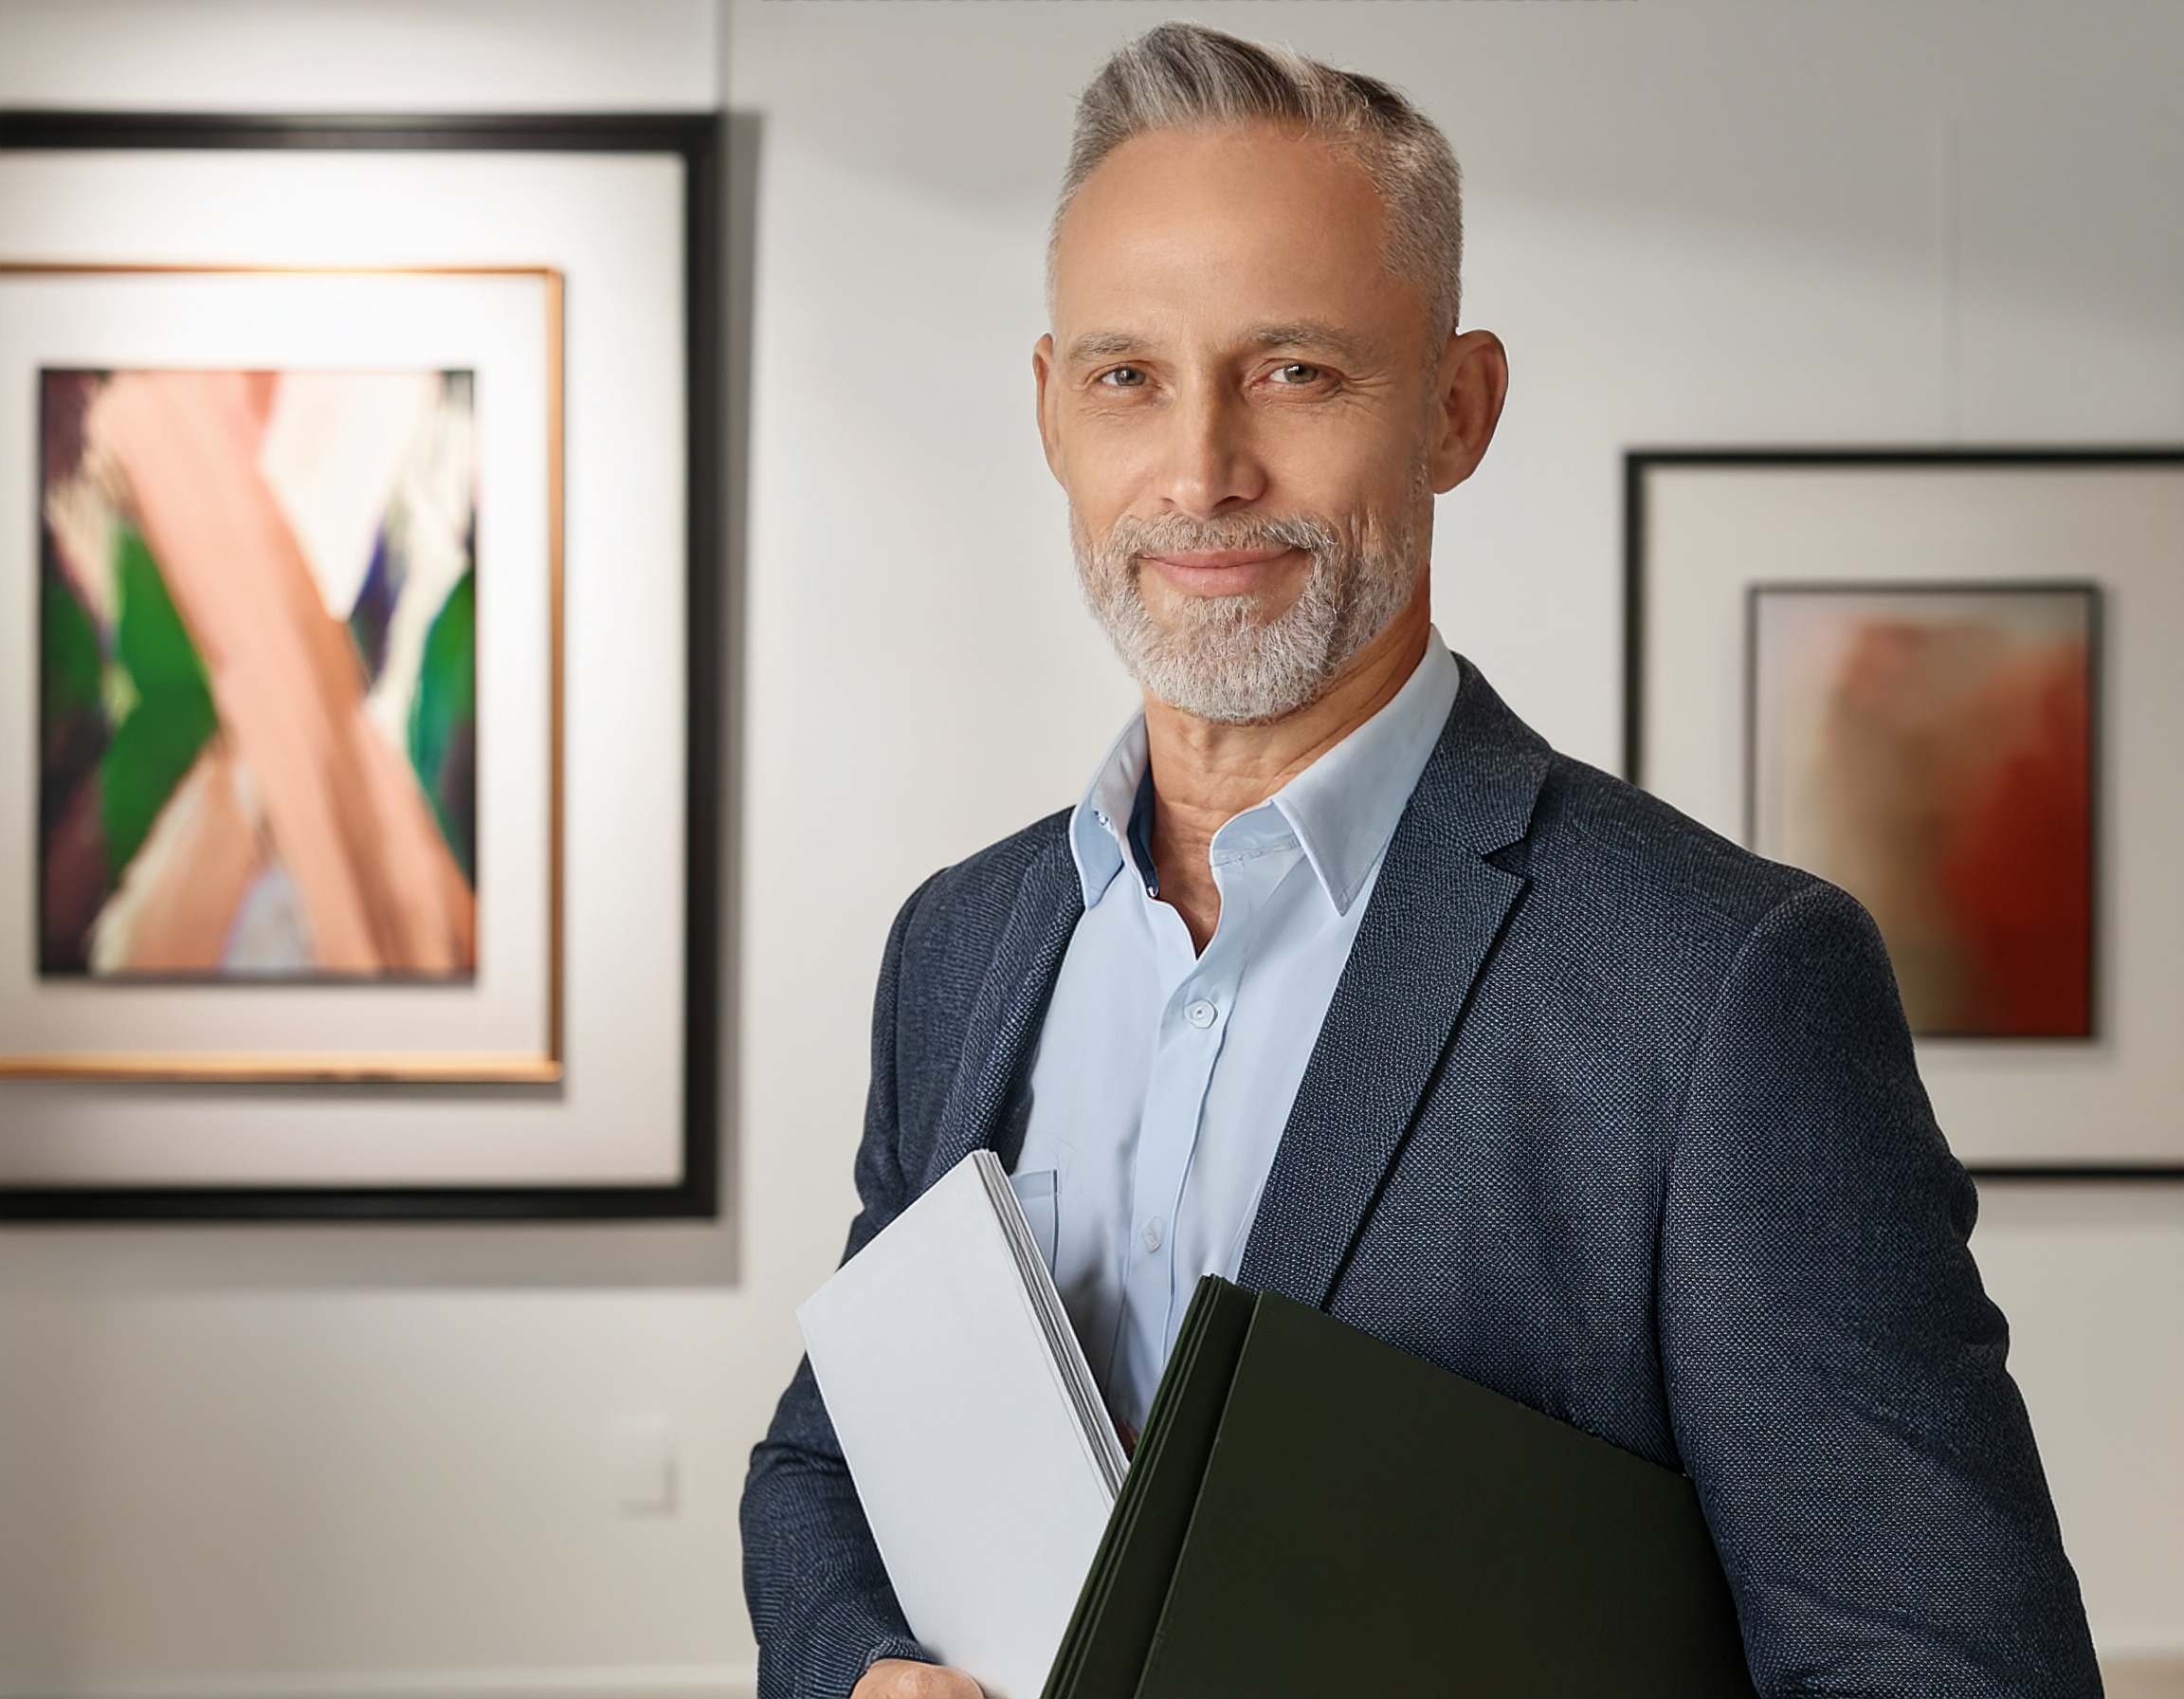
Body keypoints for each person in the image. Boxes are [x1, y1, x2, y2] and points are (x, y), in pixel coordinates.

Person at [741, 22, 2101, 1699]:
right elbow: (827, 1468)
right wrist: (861, 1671)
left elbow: (1949, 1669)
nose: (1201, 473)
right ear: (1049, 413)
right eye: (1128, 377)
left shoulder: (1717, 987)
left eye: (1294, 369)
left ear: (1457, 409)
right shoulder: (961, 946)